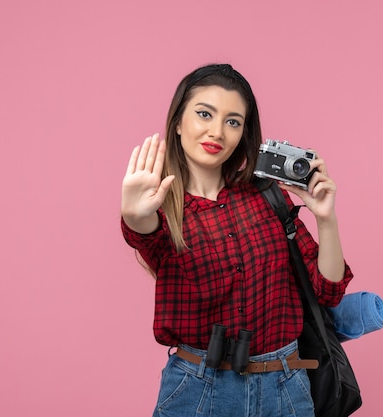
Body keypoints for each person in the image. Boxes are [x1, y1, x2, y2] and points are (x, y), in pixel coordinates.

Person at [120, 63, 353, 417]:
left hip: (285, 387)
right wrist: (135, 215)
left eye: (233, 121)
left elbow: (328, 290)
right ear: (178, 122)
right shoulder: (162, 209)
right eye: (204, 114)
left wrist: (326, 218)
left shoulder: (267, 196)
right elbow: (143, 233)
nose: (217, 131)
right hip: (198, 390)